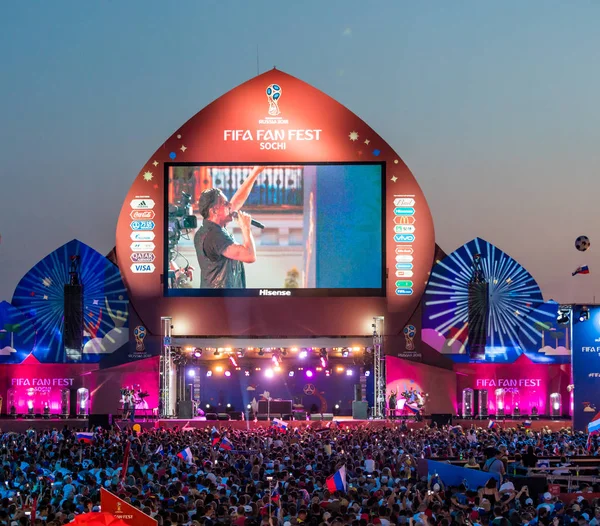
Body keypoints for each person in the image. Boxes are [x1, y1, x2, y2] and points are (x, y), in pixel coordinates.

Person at [194, 166, 264, 289]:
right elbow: (249, 255)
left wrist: (255, 172)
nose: (230, 206)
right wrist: (246, 228)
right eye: (225, 204)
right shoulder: (214, 236)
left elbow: (235, 202)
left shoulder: (211, 229)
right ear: (214, 210)